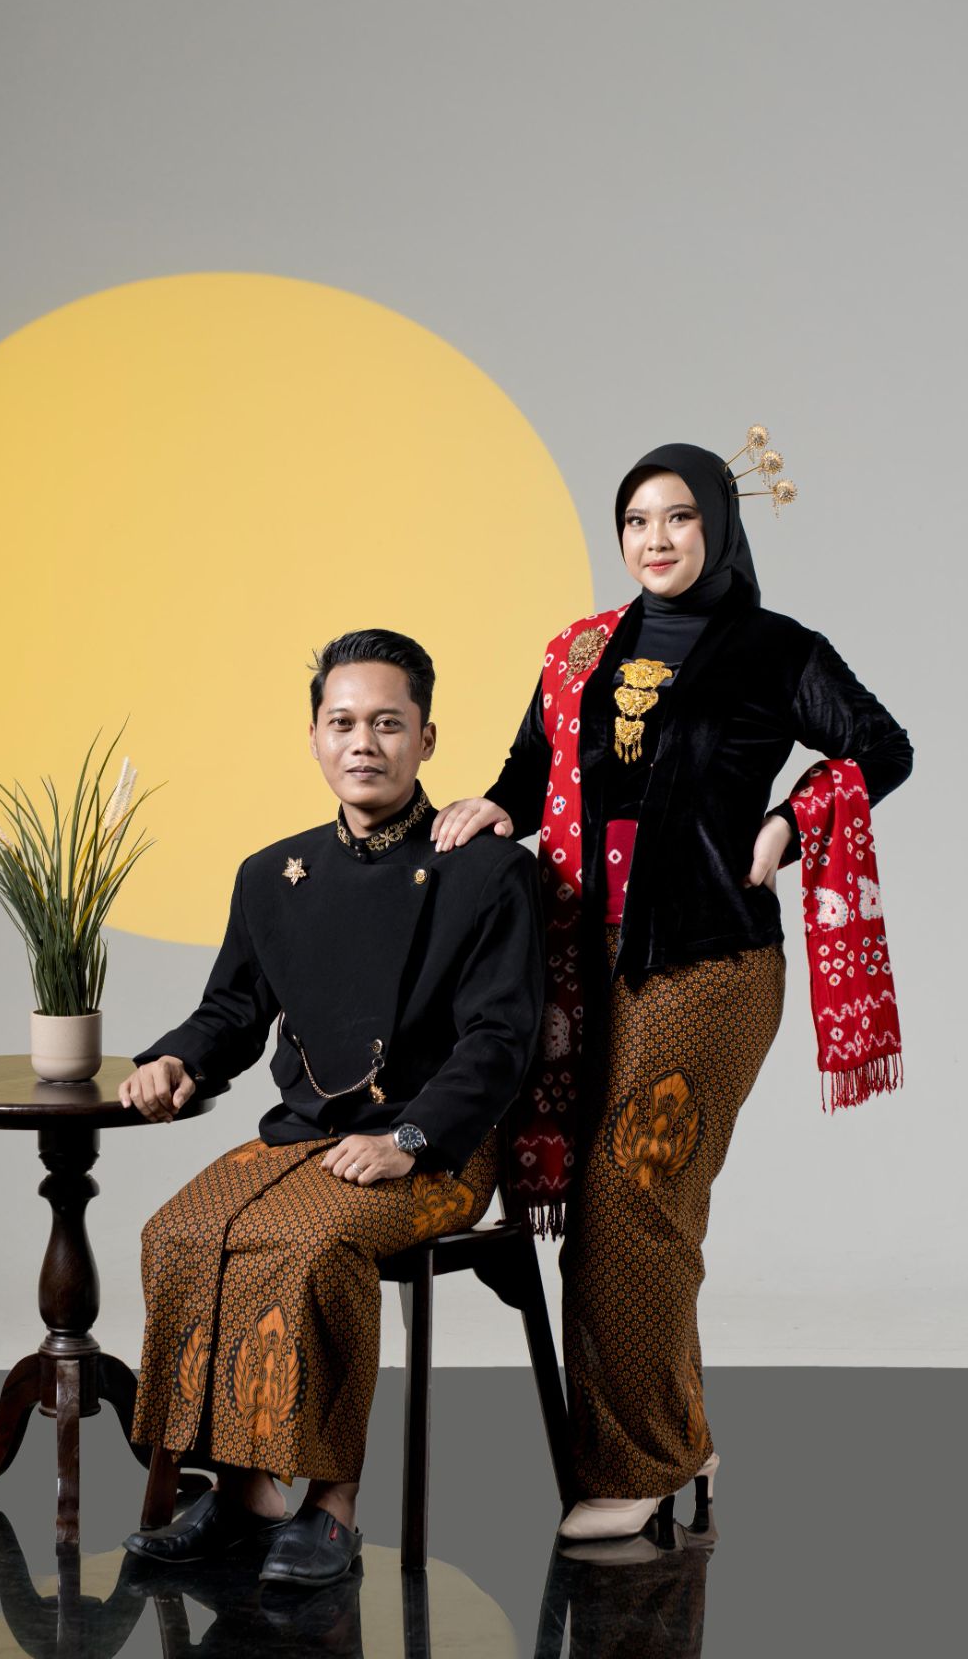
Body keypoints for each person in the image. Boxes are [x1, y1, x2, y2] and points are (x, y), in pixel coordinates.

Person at [431, 439, 912, 1541]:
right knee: (621, 1209)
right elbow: (528, 772)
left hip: (707, 961)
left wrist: (789, 823)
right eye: (636, 520)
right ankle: (675, 1441)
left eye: (679, 517)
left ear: (718, 528)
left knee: (629, 1199)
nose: (655, 539)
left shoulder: (776, 649)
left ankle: (639, 1466)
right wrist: (494, 808)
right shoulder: (580, 651)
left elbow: (881, 748)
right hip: (577, 957)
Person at [119, 628, 543, 1585]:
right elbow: (232, 1011)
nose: (363, 743)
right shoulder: (272, 874)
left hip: (437, 1149)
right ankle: (241, 1494)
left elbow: (499, 1040)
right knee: (177, 1233)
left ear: (425, 739)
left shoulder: (488, 870)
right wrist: (174, 1059)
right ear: (312, 737)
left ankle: (331, 1505)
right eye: (342, 723)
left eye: (387, 724)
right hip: (302, 1138)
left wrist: (411, 1137)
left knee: (310, 1246)